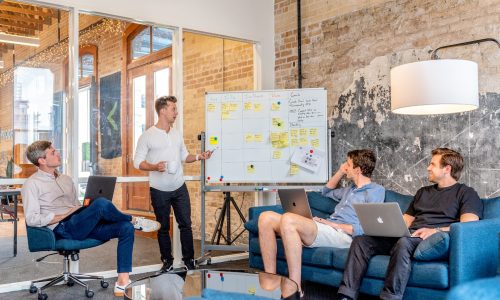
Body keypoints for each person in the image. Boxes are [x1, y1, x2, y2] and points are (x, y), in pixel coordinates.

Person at [337, 148, 483, 300]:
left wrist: (435, 231)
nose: (428, 168)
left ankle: (390, 297)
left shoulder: (466, 193)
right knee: (361, 240)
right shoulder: (423, 192)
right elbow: (406, 221)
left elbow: (468, 225)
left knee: (404, 242)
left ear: (447, 169)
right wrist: (386, 227)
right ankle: (346, 295)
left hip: (431, 240)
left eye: (432, 164)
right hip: (409, 235)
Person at [22, 140, 161, 297]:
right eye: (53, 152)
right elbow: (32, 219)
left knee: (125, 228)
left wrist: (84, 208)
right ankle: (133, 220)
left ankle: (122, 281)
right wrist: (63, 215)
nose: (58, 153)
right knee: (102, 204)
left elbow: (76, 206)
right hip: (62, 228)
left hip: (79, 223)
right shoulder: (31, 184)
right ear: (41, 160)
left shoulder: (66, 179)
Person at [258, 149, 385, 295]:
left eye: (348, 164)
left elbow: (368, 227)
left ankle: (295, 288)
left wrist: (334, 225)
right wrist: (339, 172)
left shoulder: (376, 191)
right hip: (327, 229)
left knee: (288, 219)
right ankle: (271, 279)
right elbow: (326, 191)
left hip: (343, 235)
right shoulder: (349, 190)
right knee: (265, 217)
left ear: (357, 170)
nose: (345, 166)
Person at [134, 95, 212, 273]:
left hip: (179, 187)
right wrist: (154, 166)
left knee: (185, 224)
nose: (176, 113)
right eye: (173, 109)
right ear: (162, 111)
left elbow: (185, 156)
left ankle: (189, 261)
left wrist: (200, 156)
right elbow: (137, 162)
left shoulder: (176, 134)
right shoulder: (148, 135)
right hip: (159, 190)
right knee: (163, 227)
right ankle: (167, 262)